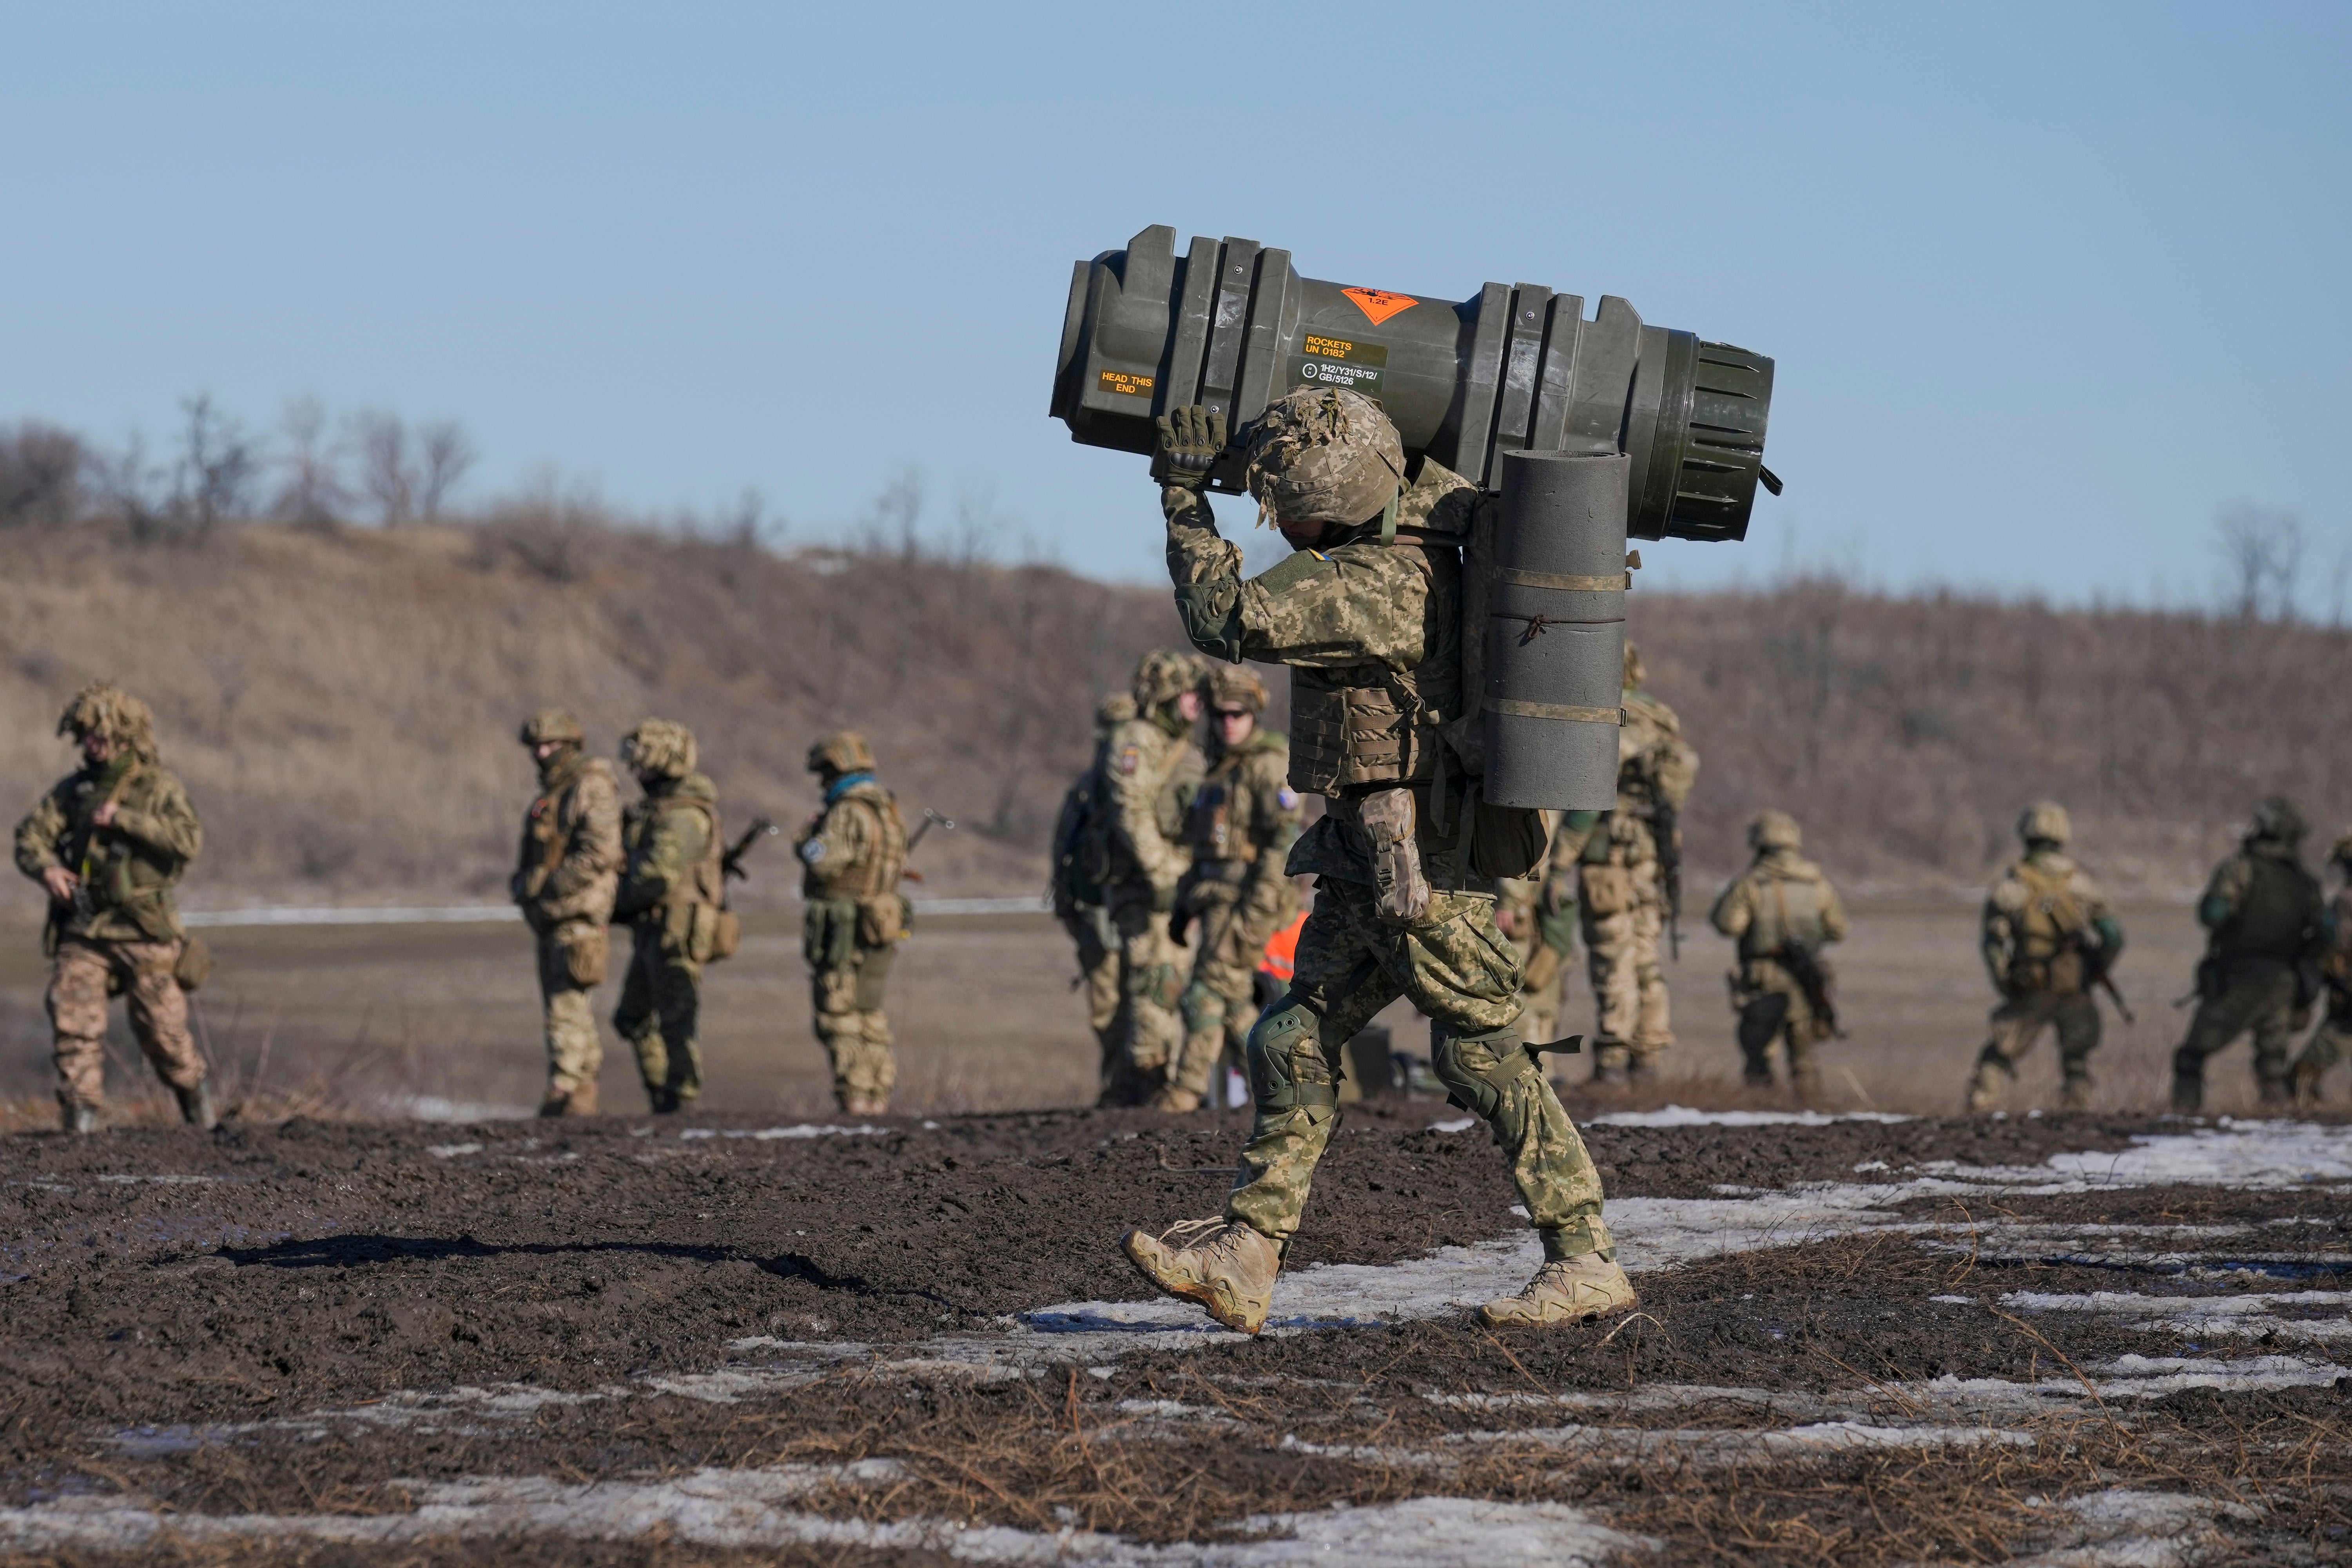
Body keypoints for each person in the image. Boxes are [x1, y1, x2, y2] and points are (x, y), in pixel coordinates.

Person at [1121, 389, 1632, 1333]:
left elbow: (1224, 617)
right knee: (1290, 1038)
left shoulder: (1369, 584)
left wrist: (1183, 495)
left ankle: (1585, 1256)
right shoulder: (1414, 532)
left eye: (1288, 505)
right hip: (1372, 852)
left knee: (1481, 1059)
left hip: (1424, 867)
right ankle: (1247, 1253)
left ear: (1343, 497)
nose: (1283, 524)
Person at [13, 682, 210, 1133]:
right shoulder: (76, 789)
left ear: (124, 733)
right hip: (86, 926)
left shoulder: (156, 786)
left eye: (97, 733)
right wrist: (47, 870)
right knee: (72, 1020)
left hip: (143, 928)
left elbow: (189, 840)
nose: (89, 743)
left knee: (164, 1035)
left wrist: (124, 819)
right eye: (83, 734)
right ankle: (80, 1121)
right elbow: (30, 836)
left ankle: (202, 1118)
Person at [1161, 663, 1303, 1112]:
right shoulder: (1219, 769)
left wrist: (1251, 920)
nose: (1228, 722)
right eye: (1220, 714)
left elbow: (1280, 850)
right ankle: (1290, 1089)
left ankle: (1184, 1094)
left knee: (1204, 994)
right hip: (1214, 902)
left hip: (1247, 906)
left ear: (1253, 715)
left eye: (1237, 714)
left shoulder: (1267, 764)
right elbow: (1204, 850)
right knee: (1235, 1003)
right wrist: (1184, 905)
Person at [1576, 644, 1698, 1081]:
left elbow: (1591, 780)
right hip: (1653, 855)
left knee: (1612, 953)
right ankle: (1648, 1056)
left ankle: (1612, 1057)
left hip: (1610, 855)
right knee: (1645, 954)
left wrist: (1562, 857)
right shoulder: (1663, 718)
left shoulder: (1612, 716)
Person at [1099, 649, 1206, 1106]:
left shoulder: (1178, 745)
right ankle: (1145, 1084)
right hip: (1146, 890)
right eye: (1189, 696)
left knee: (1167, 985)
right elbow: (1132, 811)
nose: (1197, 705)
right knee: (1152, 985)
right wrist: (1163, 874)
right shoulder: (1137, 738)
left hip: (1174, 886)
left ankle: (1132, 1092)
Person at [1965, 802, 2124, 1113]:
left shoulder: (2010, 887)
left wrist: (2004, 981)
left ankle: (1978, 1110)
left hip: (2030, 986)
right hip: (2074, 987)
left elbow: (1993, 943)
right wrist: (2094, 970)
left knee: (1997, 1056)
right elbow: (2114, 936)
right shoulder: (2081, 885)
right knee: (2076, 1061)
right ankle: (2078, 1122)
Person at [2172, 796, 2323, 1111]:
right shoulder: (2304, 881)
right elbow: (2325, 932)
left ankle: (2182, 1121)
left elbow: (2213, 914)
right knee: (2271, 1063)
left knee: (2190, 1056)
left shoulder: (2240, 869)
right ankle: (2278, 1126)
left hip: (2240, 980)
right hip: (2284, 981)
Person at [510, 709, 622, 1117]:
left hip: (576, 910)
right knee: (567, 1001)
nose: (541, 752)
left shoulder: (590, 785)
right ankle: (578, 1089)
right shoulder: (556, 790)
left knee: (566, 1003)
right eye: (536, 746)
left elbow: (602, 849)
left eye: (551, 745)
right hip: (556, 912)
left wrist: (550, 884)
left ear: (570, 744)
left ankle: (567, 1088)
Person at [611, 718, 723, 1113]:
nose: (635, 773)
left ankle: (681, 1100)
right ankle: (663, 1096)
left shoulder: (684, 815)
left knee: (676, 1019)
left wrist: (614, 900)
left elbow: (656, 873)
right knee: (634, 1016)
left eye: (642, 764)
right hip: (653, 926)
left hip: (676, 928)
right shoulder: (658, 810)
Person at [795, 731, 910, 1116]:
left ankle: (855, 1101)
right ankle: (877, 1098)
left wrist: (807, 836)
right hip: (880, 923)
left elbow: (822, 860)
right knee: (870, 1015)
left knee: (840, 1016)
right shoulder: (888, 809)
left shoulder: (847, 811)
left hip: (845, 928)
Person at [1709, 810, 1848, 1095]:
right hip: (1805, 975)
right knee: (1804, 1055)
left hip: (1764, 976)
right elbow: (1838, 929)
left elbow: (1728, 924)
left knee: (1759, 1052)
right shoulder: (1817, 885)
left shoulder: (1750, 884)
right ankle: (1810, 1113)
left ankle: (1762, 1111)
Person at [1050, 693, 1136, 1094]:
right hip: (1097, 915)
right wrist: (1067, 906)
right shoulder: (1086, 790)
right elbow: (1064, 848)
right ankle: (1117, 1087)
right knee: (1107, 1011)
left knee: (1145, 1006)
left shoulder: (1148, 787)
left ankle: (1141, 1087)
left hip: (1138, 911)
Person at [1495, 812, 1590, 1049]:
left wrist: (1509, 902)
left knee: (1518, 993)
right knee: (1539, 996)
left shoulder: (1532, 798)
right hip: (1536, 898)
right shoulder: (1552, 792)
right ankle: (1538, 1070)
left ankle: (1527, 1072)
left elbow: (1525, 854)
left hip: (1523, 908)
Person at [2290, 833, 2352, 1105]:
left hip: (2346, 999)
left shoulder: (2345, 902)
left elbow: (2336, 944)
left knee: (2305, 1070)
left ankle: (2303, 1096)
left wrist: (2334, 974)